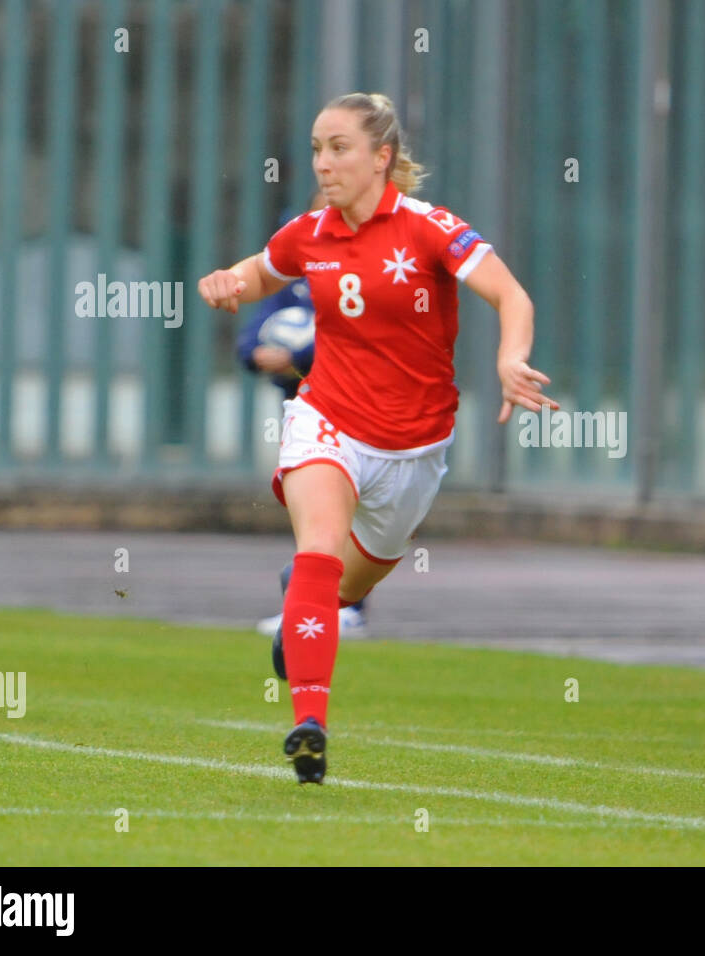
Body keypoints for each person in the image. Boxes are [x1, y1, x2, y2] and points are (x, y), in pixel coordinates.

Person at [198, 92, 557, 783]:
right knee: (320, 553)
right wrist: (226, 283)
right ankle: (309, 726)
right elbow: (259, 274)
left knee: (336, 586)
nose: (323, 163)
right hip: (327, 418)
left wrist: (511, 358)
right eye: (316, 148)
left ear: (381, 158)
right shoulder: (310, 233)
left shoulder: (429, 228)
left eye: (339, 149)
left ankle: (306, 605)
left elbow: (512, 296)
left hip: (416, 449)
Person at [233, 193, 367, 643]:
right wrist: (255, 352)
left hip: (353, 401)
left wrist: (297, 355)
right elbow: (257, 323)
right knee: (313, 506)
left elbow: (353, 334)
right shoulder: (294, 275)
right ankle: (315, 608)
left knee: (351, 506)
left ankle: (344, 605)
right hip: (303, 404)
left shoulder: (364, 267)